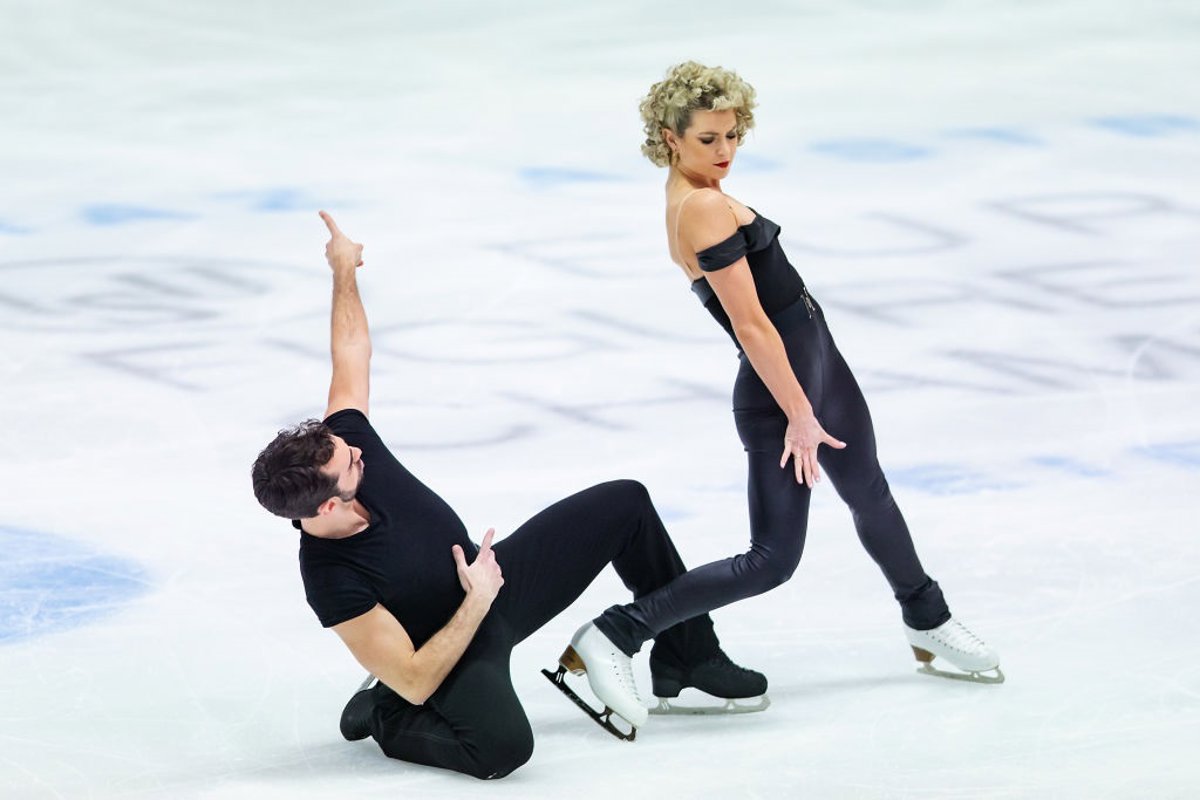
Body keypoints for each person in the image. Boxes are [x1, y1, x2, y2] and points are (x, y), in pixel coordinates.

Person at [249, 212, 766, 780]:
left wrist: (344, 270)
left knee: (626, 504)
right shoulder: (330, 579)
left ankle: (688, 654)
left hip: (500, 583)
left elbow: (351, 351)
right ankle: (381, 713)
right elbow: (416, 677)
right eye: (349, 462)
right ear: (327, 505)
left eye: (348, 446)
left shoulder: (345, 443)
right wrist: (475, 601)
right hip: (453, 649)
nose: (357, 451)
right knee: (501, 749)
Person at [583, 61, 1002, 684]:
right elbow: (752, 325)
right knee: (772, 559)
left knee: (869, 493)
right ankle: (618, 631)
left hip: (819, 370)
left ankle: (927, 616)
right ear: (671, 137)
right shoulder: (700, 206)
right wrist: (799, 414)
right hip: (780, 394)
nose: (725, 150)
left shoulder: (701, 194)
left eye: (733, 135)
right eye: (708, 138)